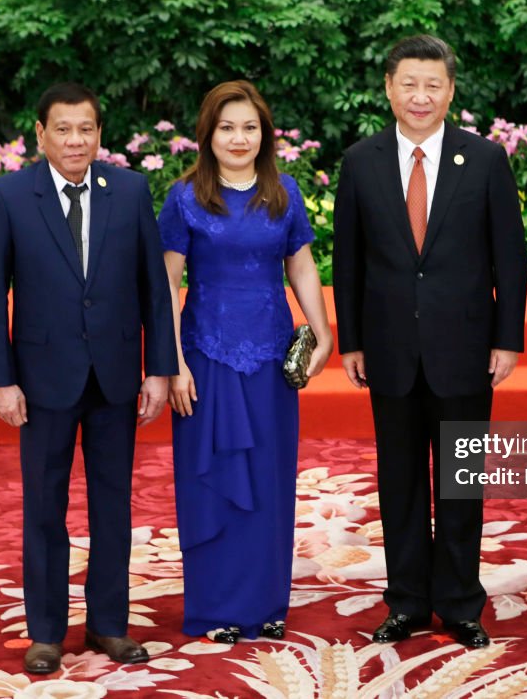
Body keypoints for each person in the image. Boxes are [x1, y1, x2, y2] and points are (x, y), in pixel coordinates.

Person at [332, 35, 527, 649]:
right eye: (409, 84)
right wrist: (352, 340)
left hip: (466, 348)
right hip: (388, 349)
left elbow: (511, 257)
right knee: (400, 482)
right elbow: (348, 259)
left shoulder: (486, 159)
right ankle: (408, 602)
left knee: (461, 480)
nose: (421, 96)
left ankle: (461, 602)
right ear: (388, 88)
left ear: (449, 91)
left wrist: (507, 338)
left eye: (433, 85)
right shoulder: (360, 162)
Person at [0, 82, 176, 674]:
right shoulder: (9, 196)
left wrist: (159, 369)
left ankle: (109, 624)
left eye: (85, 129)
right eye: (62, 129)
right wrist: (1, 379)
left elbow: (153, 290)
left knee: (113, 505)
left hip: (115, 375)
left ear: (99, 134)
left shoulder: (130, 190)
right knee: (45, 505)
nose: (75, 140)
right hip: (41, 379)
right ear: (40, 134)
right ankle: (45, 631)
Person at [157, 80, 333, 644]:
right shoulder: (185, 197)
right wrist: (172, 363)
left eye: (250, 127)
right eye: (227, 127)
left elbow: (300, 267)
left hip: (270, 359)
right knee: (210, 483)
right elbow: (166, 283)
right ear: (207, 134)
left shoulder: (284, 192)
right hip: (204, 361)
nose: (239, 138)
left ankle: (264, 605)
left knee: (269, 480)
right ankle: (215, 610)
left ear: (265, 134)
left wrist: (323, 332)